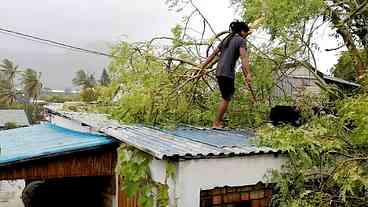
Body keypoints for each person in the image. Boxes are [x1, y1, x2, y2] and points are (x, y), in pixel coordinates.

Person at [201, 21, 253, 129]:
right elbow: (244, 58)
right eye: (246, 33)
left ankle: (219, 121)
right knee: (226, 97)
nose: (246, 35)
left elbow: (213, 54)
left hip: (219, 71)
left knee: (226, 96)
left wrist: (202, 66)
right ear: (242, 31)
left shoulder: (226, 39)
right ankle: (216, 123)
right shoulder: (241, 40)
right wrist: (248, 74)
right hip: (227, 72)